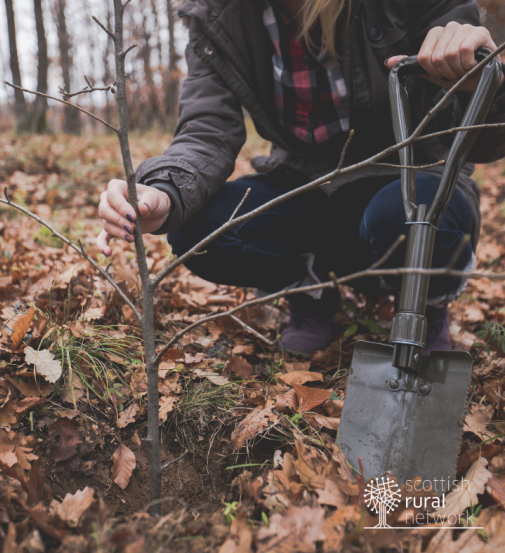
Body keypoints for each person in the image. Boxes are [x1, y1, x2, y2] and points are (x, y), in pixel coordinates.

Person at [96, 0, 505, 358]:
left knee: (402, 218)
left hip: (411, 176)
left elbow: (480, 142)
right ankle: (309, 287)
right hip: (305, 185)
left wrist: (480, 79)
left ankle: (427, 299)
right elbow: (206, 130)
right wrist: (164, 190)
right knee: (199, 231)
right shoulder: (218, 15)